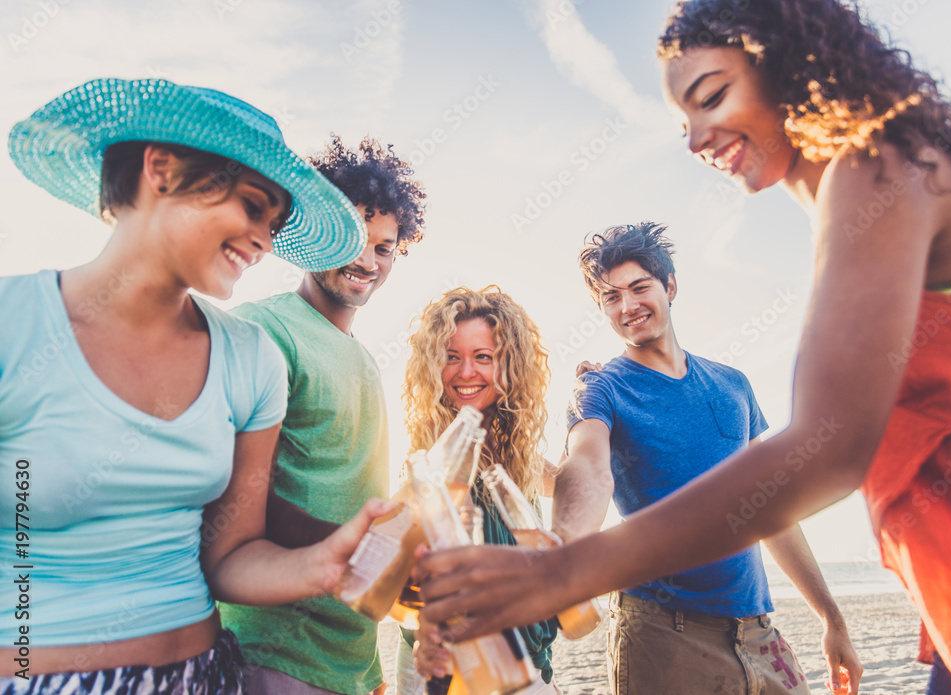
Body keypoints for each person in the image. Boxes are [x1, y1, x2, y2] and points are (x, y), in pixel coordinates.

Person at [416, 2, 951, 694]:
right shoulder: (603, 384)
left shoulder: (876, 166)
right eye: (682, 120)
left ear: (790, 66)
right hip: (947, 585)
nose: (694, 139)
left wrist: (560, 574)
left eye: (712, 96)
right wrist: (557, 544)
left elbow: (822, 452)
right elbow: (587, 467)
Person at [0, 78, 395, 694]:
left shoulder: (249, 360)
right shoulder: (13, 324)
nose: (265, 239)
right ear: (161, 168)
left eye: (277, 220)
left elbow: (231, 555)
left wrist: (323, 564)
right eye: (252, 205)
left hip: (205, 677)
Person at [563, 223, 858, 694]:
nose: (627, 307)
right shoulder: (599, 390)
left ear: (671, 286)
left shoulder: (732, 384)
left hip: (759, 632)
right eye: (610, 297)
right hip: (662, 636)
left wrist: (831, 617)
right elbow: (588, 468)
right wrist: (567, 547)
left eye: (639, 288)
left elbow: (770, 509)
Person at [217, 136, 426, 695]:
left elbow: (350, 493)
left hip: (352, 660)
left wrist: (371, 668)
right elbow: (234, 497)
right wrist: (371, 558)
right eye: (355, 237)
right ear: (317, 232)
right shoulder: (264, 329)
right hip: (273, 650)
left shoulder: (361, 357)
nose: (367, 261)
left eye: (385, 248)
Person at [402, 286, 561, 692]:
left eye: (483, 357)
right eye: (451, 357)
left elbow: (570, 483)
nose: (466, 372)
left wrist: (590, 403)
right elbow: (401, 574)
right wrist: (422, 631)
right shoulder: (429, 460)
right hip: (460, 672)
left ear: (511, 366)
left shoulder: (517, 453)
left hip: (533, 664)